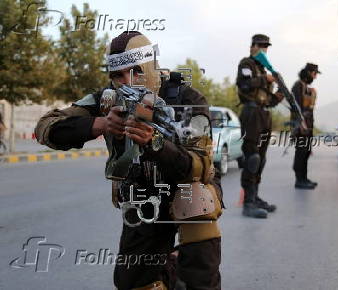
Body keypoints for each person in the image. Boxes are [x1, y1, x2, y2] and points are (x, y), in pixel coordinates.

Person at [35, 31, 222, 290]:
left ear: (150, 65)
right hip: (145, 193)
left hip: (187, 188)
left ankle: (183, 267)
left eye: (136, 72)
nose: (127, 82)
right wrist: (99, 124)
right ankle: (169, 267)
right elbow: (46, 126)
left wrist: (156, 143)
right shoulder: (108, 98)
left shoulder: (186, 99)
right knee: (133, 283)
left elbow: (200, 166)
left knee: (199, 260)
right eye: (118, 75)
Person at [236, 34, 284, 218]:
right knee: (252, 158)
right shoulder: (246, 64)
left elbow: (269, 100)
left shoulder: (264, 69)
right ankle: (248, 203)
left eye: (266, 46)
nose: (264, 49)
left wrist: (280, 94)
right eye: (261, 45)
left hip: (264, 113)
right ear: (253, 46)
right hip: (251, 113)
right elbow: (245, 85)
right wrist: (267, 79)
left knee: (261, 159)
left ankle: (255, 196)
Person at [291, 63, 320, 190]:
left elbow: (309, 108)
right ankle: (299, 180)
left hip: (308, 125)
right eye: (314, 74)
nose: (315, 77)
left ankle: (304, 178)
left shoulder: (306, 87)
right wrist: (301, 124)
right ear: (308, 73)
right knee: (301, 152)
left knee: (306, 152)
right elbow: (296, 108)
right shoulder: (298, 86)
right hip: (300, 125)